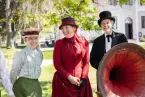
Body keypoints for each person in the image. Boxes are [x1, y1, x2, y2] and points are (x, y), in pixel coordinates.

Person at [52, 16, 93, 97]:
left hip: (81, 82)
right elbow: (57, 64)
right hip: (63, 83)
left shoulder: (84, 42)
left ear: (74, 28)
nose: (64, 30)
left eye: (66, 27)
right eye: (62, 28)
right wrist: (70, 77)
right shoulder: (59, 43)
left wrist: (84, 78)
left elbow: (86, 62)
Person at [90, 11, 128, 95]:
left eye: (107, 22)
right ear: (101, 26)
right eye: (103, 23)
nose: (105, 25)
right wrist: (102, 67)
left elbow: (127, 55)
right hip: (102, 74)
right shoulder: (97, 41)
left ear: (112, 23)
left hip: (119, 74)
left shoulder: (121, 37)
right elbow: (92, 59)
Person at [10, 28, 43, 97]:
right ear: (25, 40)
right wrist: (10, 89)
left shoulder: (39, 54)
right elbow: (14, 72)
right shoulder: (20, 54)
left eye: (36, 38)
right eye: (30, 38)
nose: (33, 41)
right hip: (22, 86)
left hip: (35, 85)